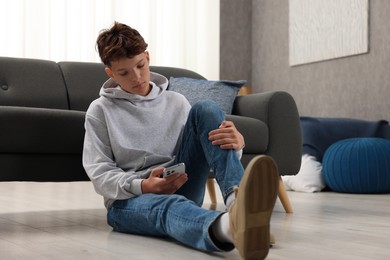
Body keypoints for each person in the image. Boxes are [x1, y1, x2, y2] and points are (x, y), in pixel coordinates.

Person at [82, 21, 279, 260]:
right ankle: (231, 226)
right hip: (129, 202)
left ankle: (238, 203)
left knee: (206, 109)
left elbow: (206, 152)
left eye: (140, 66)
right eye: (124, 73)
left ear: (147, 56)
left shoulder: (177, 101)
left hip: (182, 184)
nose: (136, 77)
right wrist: (143, 186)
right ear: (110, 73)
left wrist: (236, 145)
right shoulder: (100, 110)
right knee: (168, 207)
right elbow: (99, 173)